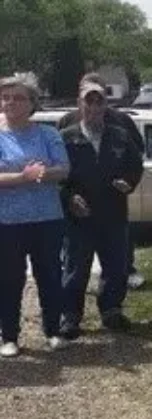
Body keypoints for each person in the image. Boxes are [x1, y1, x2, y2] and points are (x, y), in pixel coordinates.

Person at [59, 82, 144, 337]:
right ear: (80, 104)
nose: (94, 107)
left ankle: (111, 310)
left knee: (116, 266)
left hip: (113, 213)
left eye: (99, 101)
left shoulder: (119, 135)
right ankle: (71, 317)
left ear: (106, 105)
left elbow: (135, 166)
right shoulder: (66, 138)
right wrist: (69, 197)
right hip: (78, 217)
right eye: (89, 101)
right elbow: (57, 178)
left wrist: (128, 183)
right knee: (75, 268)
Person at [0, 73, 71, 357]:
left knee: (49, 276)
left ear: (32, 103)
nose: (11, 103)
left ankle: (53, 330)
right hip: (7, 222)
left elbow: (63, 169)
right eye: (6, 97)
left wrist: (42, 173)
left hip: (46, 219)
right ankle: (9, 337)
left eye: (18, 98)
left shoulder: (48, 134)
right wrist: (23, 176)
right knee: (8, 279)